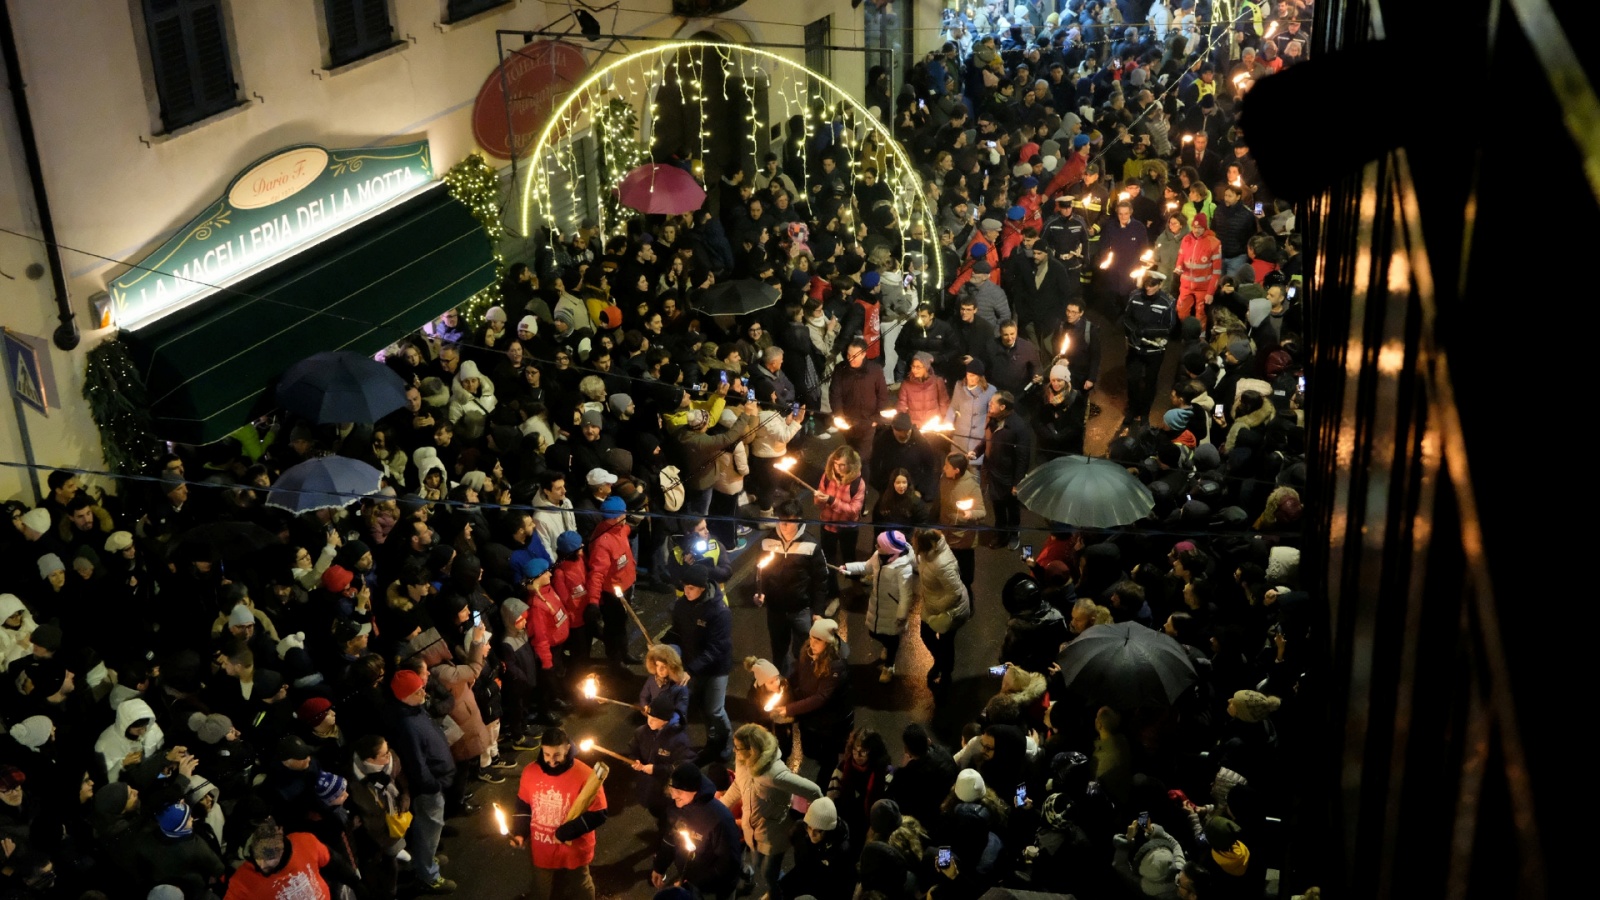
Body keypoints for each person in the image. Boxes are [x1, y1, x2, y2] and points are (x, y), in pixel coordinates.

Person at [720, 723, 823, 898]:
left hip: (773, 834)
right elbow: (739, 785)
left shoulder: (774, 774)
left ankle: (778, 893)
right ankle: (777, 886)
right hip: (752, 831)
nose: (734, 751)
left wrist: (815, 822)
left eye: (738, 748)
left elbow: (813, 791)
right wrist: (721, 807)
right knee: (759, 864)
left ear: (752, 749)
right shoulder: (742, 761)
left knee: (768, 873)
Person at [511, 728, 608, 900]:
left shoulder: (585, 775)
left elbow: (598, 814)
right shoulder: (530, 772)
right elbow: (524, 805)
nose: (551, 761)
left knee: (581, 884)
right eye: (547, 754)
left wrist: (567, 832)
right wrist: (520, 832)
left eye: (557, 755)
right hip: (542, 846)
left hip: (574, 847)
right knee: (540, 886)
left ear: (568, 749)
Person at [662, 565, 734, 764]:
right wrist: (663, 646)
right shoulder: (681, 605)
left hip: (715, 669)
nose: (686, 591)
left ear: (703, 588)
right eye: (685, 587)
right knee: (703, 707)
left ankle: (727, 743)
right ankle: (712, 741)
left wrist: (691, 669)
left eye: (691, 588)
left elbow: (716, 648)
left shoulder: (719, 612)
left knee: (715, 709)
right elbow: (677, 631)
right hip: (693, 666)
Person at [650, 763, 744, 899]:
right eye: (672, 790)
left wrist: (694, 883)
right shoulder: (677, 807)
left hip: (714, 887)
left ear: (695, 790)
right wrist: (660, 866)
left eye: (679, 791)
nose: (674, 796)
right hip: (690, 878)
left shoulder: (719, 819)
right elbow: (670, 838)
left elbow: (728, 865)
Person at [774, 619, 849, 781]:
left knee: (828, 758)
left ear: (828, 643)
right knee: (809, 749)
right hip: (810, 717)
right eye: (811, 637)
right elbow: (801, 672)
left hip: (829, 721)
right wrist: (786, 682)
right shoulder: (809, 651)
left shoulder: (836, 665)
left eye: (818, 640)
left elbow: (821, 697)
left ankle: (823, 788)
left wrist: (789, 709)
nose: (812, 643)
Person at [840, 530, 915, 683]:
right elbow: (866, 567)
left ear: (890, 550)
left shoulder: (903, 568)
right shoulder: (879, 555)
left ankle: (889, 666)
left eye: (879, 545)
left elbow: (906, 595)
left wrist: (902, 615)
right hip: (877, 604)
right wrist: (848, 567)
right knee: (875, 633)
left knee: (892, 637)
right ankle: (887, 646)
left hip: (892, 609)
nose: (876, 546)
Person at [913, 529, 969, 691]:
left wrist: (936, 607)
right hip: (933, 604)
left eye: (916, 542)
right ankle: (940, 662)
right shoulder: (927, 554)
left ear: (924, 545)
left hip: (950, 611)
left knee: (946, 642)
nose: (913, 543)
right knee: (926, 635)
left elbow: (955, 593)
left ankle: (946, 673)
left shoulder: (941, 564)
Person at [981, 391, 1032, 550]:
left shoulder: (1018, 427)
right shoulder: (993, 420)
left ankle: (1014, 533)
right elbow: (987, 441)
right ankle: (1001, 534)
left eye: (993, 403)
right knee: (997, 505)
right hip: (994, 473)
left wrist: (1017, 483)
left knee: (1012, 507)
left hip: (1008, 477)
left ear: (1003, 407)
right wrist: (976, 451)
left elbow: (1023, 458)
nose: (989, 405)